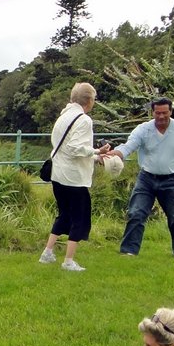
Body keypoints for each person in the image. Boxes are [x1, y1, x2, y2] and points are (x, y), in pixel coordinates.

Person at [104, 98, 174, 260]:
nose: (161, 116)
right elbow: (129, 145)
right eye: (157, 113)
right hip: (147, 179)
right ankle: (128, 251)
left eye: (164, 113)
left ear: (171, 111)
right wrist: (118, 153)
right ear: (152, 112)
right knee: (136, 213)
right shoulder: (143, 129)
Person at [39, 82, 110, 271]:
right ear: (89, 100)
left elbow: (65, 148)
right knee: (79, 218)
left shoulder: (63, 116)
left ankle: (47, 253)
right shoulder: (84, 120)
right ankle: (68, 261)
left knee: (64, 214)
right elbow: (75, 148)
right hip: (74, 178)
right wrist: (97, 151)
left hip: (58, 174)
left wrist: (95, 157)